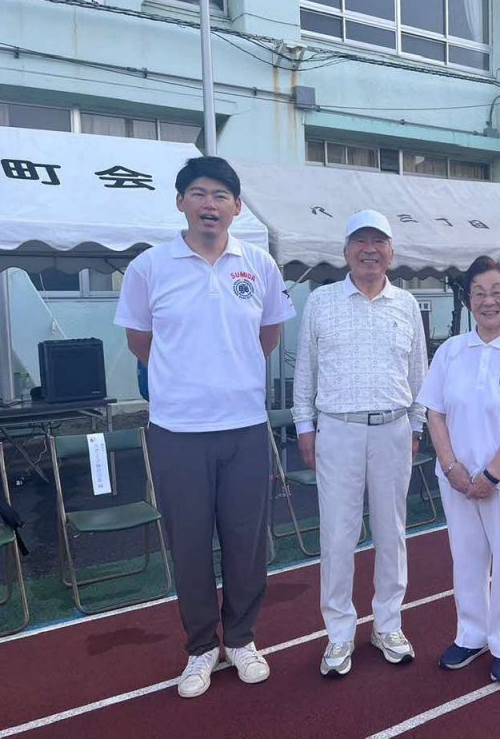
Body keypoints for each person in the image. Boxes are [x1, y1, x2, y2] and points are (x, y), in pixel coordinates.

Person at [114, 156, 295, 699]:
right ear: (180, 202)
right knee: (190, 544)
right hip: (177, 431)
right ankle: (200, 647)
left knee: (245, 541)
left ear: (237, 206)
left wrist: (229, 375)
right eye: (198, 193)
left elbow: (268, 336)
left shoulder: (259, 264)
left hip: (245, 427)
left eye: (220, 195)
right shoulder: (150, 267)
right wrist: (184, 382)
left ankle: (240, 638)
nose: (209, 204)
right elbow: (140, 342)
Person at [292, 209, 428, 678]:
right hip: (338, 429)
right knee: (338, 534)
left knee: (392, 532)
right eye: (360, 241)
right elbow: (305, 371)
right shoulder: (321, 302)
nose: (370, 250)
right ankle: (339, 633)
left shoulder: (406, 304)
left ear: (391, 251)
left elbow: (419, 373)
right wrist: (304, 426)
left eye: (379, 241)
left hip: (393, 429)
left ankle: (388, 625)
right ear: (346, 250)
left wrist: (416, 425)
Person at [417, 256, 500, 685]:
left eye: (496, 292)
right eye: (478, 293)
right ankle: (471, 635)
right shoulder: (451, 352)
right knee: (467, 561)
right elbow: (434, 412)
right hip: (456, 481)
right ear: (468, 300)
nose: (488, 301)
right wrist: (451, 467)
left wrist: (491, 476)